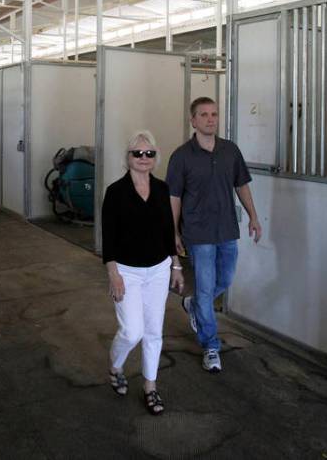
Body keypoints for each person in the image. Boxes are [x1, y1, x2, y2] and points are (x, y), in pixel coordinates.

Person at [166, 97, 262, 373]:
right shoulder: (181, 156)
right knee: (207, 289)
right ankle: (210, 346)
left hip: (227, 230)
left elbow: (242, 185)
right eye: (204, 115)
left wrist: (254, 217)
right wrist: (173, 232)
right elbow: (174, 198)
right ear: (193, 120)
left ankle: (193, 304)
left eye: (214, 114)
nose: (210, 119)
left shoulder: (230, 151)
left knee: (225, 279)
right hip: (198, 233)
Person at [102, 131, 184, 416]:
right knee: (132, 331)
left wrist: (176, 265)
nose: (143, 158)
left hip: (159, 270)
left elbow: (167, 232)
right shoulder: (115, 192)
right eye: (137, 153)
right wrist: (113, 273)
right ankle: (115, 365)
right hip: (127, 271)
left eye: (149, 154)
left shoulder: (162, 189)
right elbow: (109, 237)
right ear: (128, 158)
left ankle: (150, 386)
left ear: (155, 157)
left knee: (153, 332)